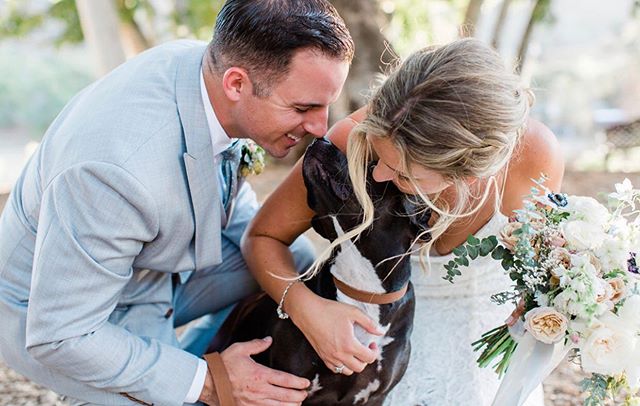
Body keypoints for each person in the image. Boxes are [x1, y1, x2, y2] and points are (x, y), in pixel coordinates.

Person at [0, 1, 354, 405]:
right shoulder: (114, 171)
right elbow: (61, 333)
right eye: (303, 108)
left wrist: (306, 305)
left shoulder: (210, 72)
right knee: (180, 388)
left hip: (150, 271)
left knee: (291, 255)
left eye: (325, 105)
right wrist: (210, 380)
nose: (319, 127)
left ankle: (191, 365)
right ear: (236, 84)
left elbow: (233, 208)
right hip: (61, 315)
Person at [242, 38, 564, 405]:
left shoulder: (535, 158)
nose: (377, 175)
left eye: (403, 175)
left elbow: (543, 274)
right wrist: (306, 309)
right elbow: (263, 237)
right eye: (379, 157)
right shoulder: (357, 138)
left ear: (468, 173)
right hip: (373, 343)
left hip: (484, 347)